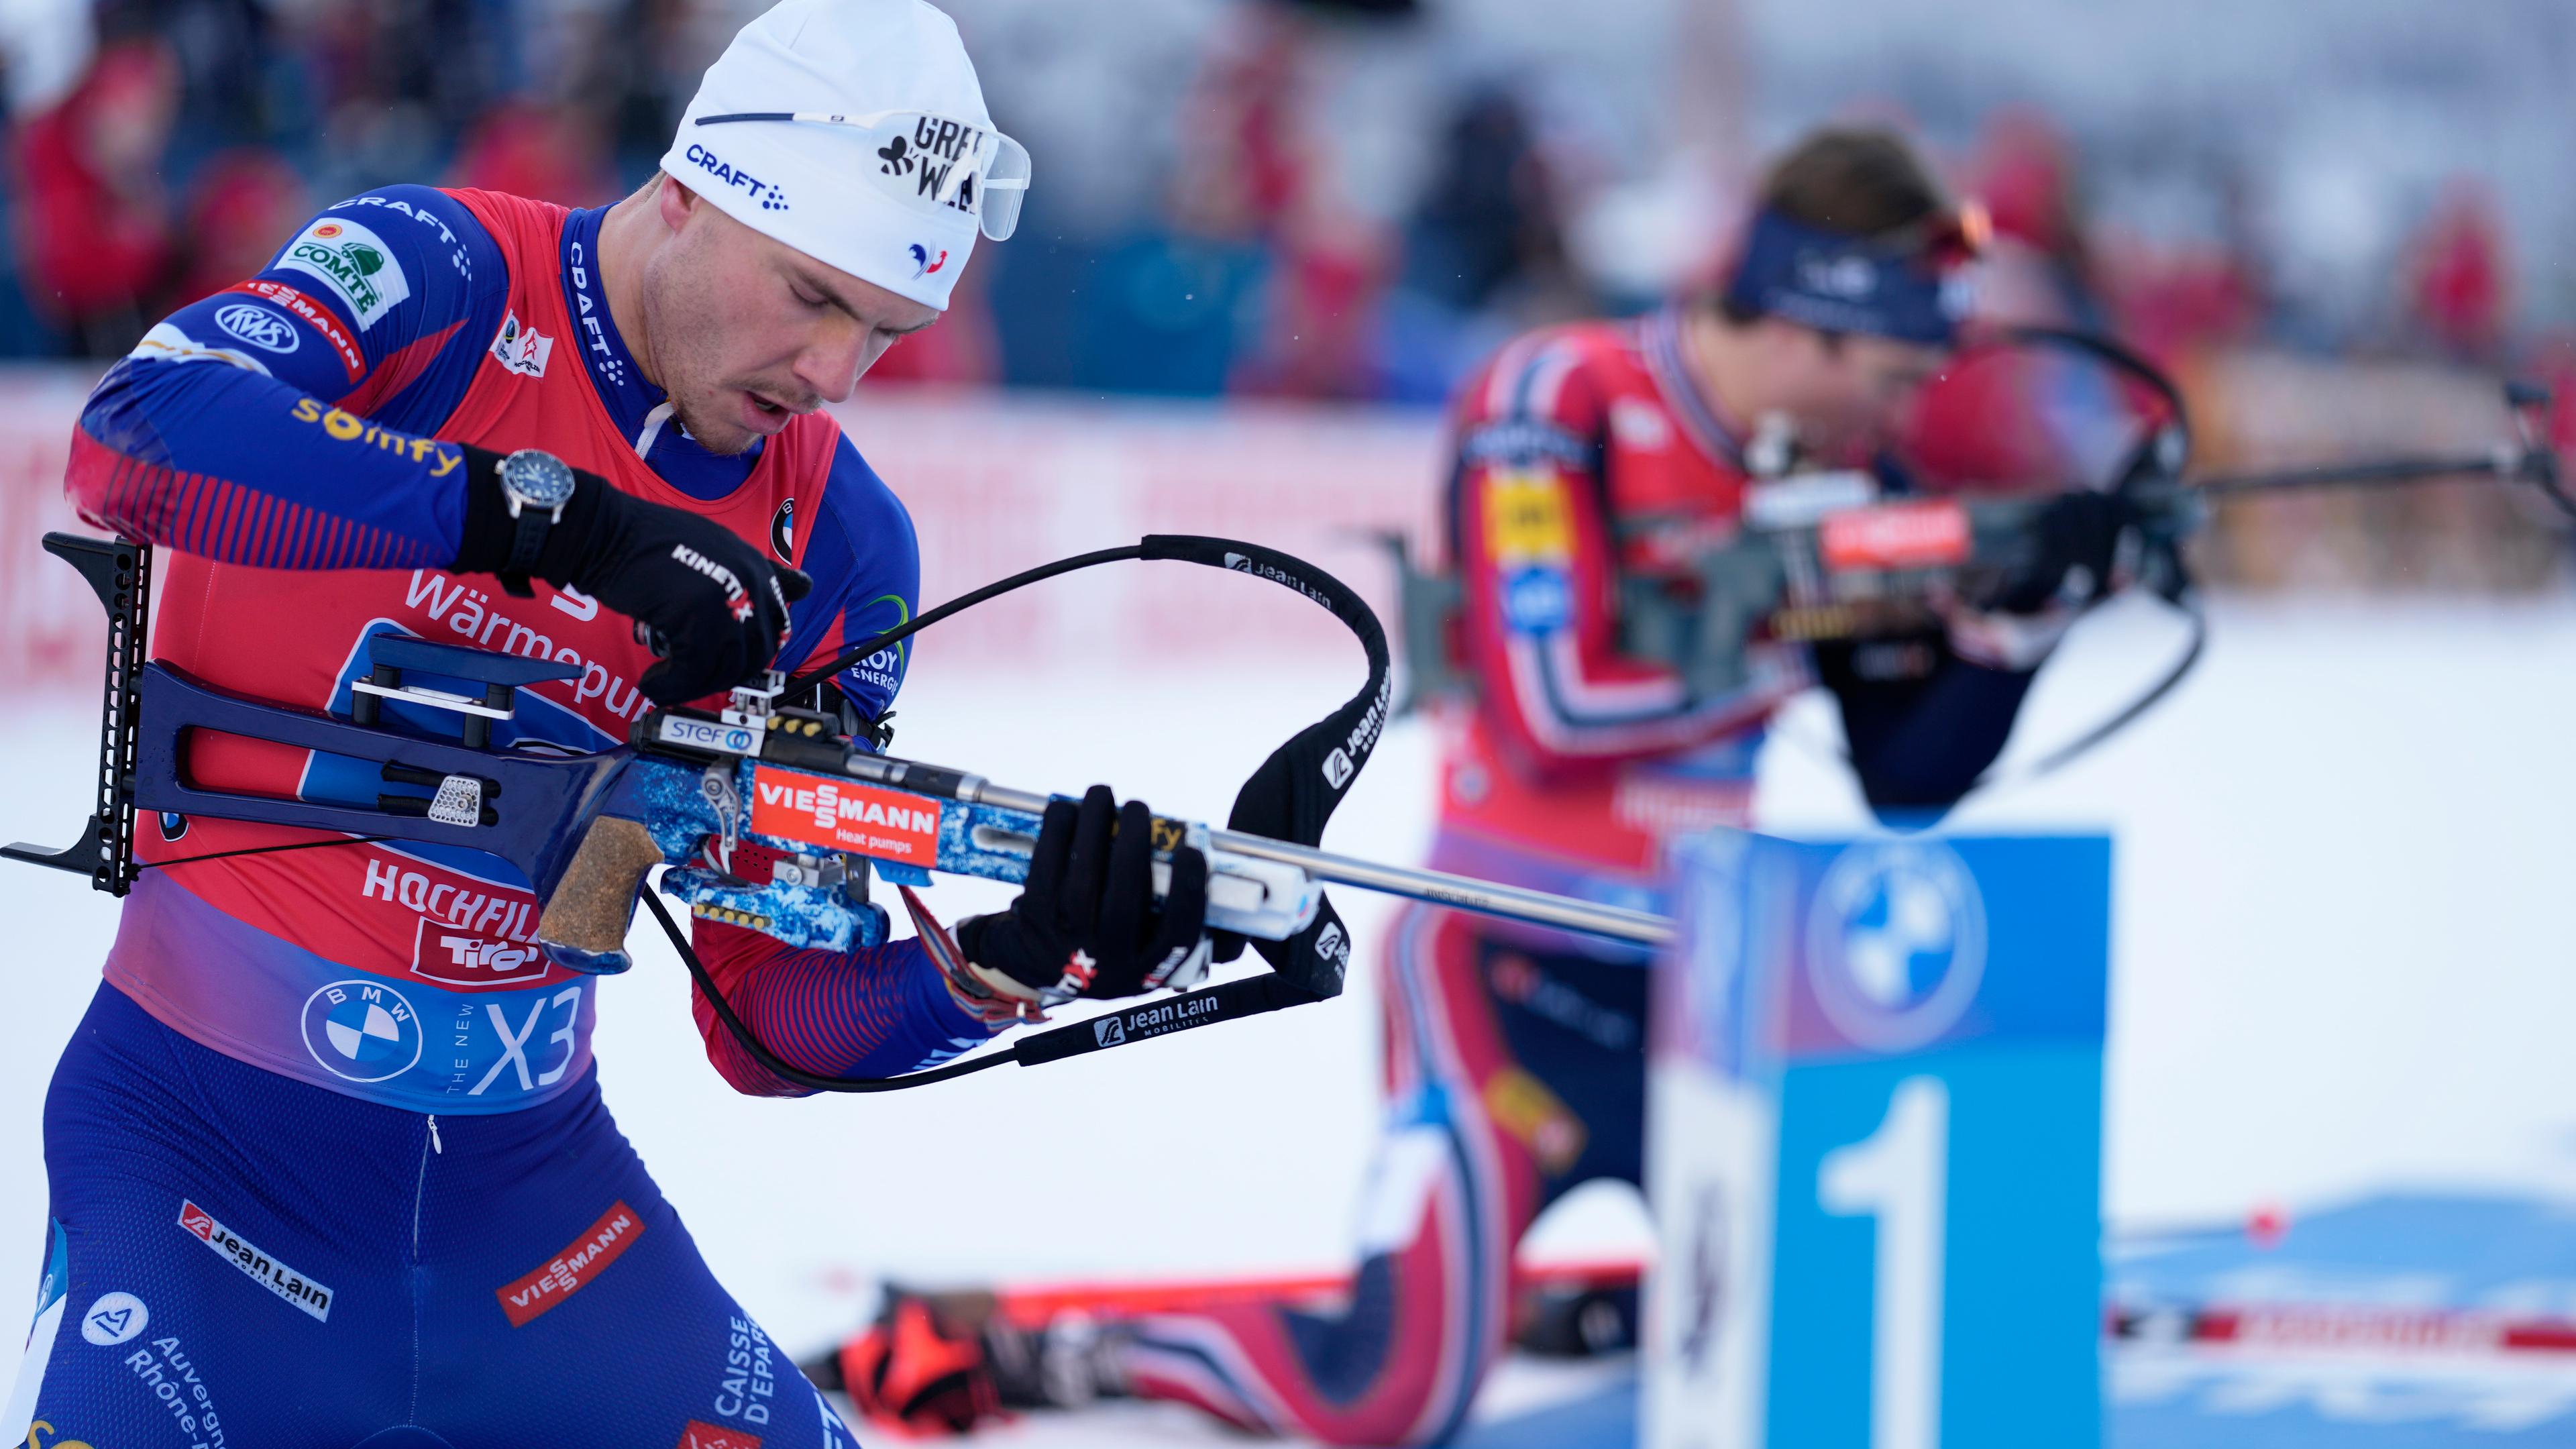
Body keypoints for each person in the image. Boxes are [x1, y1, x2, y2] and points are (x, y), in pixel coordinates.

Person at [1, 3, 1210, 1446]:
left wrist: (1012, 964)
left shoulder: (839, 539)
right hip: (207, 1167)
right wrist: (543, 517)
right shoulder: (441, 271)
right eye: (812, 296)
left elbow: (766, 1019)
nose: (833, 375)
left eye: (886, 334)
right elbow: (137, 435)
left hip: (542, 1227)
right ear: (689, 190)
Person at [829, 125, 2131, 1444]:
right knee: (1385, 1394)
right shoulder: (1560, 395)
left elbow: (1907, 774)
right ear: (1808, 327)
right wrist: (1808, 621)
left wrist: (2015, 624)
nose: (1904, 416)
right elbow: (1553, 701)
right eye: (1895, 375)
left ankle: (1561, 1297)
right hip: (1502, 981)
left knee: (1854, 1340)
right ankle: (1075, 1359)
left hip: (1715, 994)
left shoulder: (1845, 469)